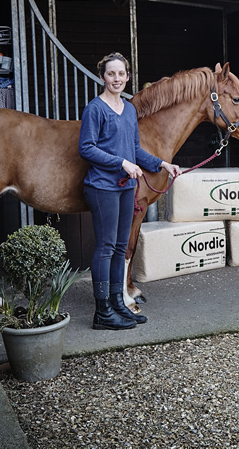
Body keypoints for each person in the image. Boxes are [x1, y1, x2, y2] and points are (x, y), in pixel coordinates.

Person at [79, 52, 181, 330]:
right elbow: (86, 148)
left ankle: (117, 305)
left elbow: (134, 149)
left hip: (126, 188)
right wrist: (121, 163)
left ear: (127, 77)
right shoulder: (95, 109)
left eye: (121, 74)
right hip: (102, 187)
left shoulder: (129, 109)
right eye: (111, 74)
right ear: (102, 77)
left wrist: (162, 163)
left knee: (121, 247)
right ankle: (102, 313)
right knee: (106, 247)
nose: (117, 79)